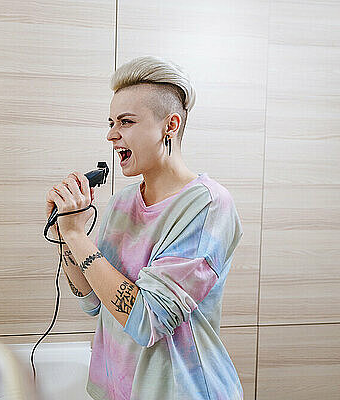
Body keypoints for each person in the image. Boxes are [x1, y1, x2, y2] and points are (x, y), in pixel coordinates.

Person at [45, 55, 244, 400]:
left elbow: (147, 320)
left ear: (170, 125)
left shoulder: (209, 206)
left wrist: (79, 236)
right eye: (111, 122)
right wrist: (66, 234)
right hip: (117, 390)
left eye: (125, 122)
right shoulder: (122, 202)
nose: (111, 134)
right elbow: (93, 300)